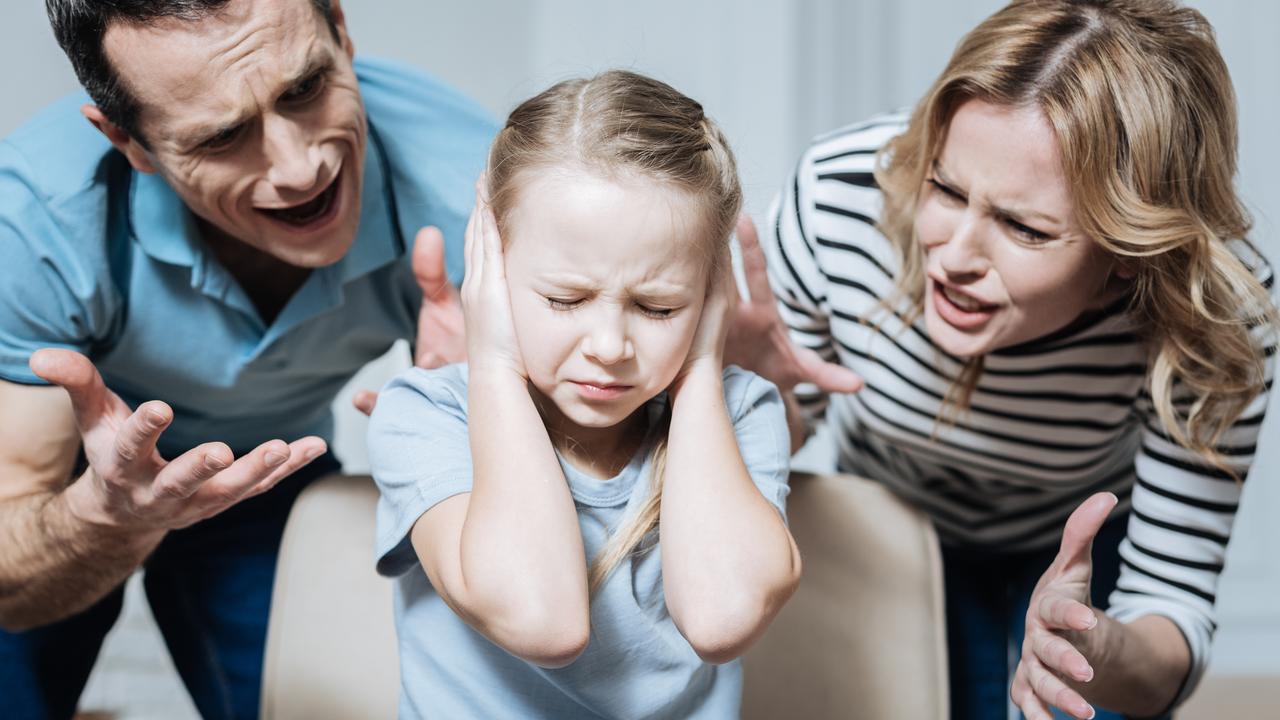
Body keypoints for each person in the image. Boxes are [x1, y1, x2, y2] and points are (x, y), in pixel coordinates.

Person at [727, 0, 1277, 718]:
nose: (952, 259)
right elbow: (775, 453)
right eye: (946, 188)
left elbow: (1169, 610)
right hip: (892, 526)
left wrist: (1097, 649)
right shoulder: (839, 200)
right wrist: (750, 396)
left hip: (1080, 542)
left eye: (1024, 227)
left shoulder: (1214, 313)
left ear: (1127, 256)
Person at [0, 0, 493, 717]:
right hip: (75, 485)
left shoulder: (475, 200)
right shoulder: (35, 222)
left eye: (305, 89)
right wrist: (112, 518)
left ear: (341, 33)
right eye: (223, 136)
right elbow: (11, 575)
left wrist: (475, 430)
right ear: (128, 143)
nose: (302, 169)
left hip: (265, 463)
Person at [367, 70, 801, 718]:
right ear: (493, 265)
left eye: (657, 307)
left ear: (712, 295)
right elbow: (543, 621)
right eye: (565, 299)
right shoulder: (425, 416)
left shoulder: (738, 415)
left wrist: (703, 368)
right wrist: (491, 363)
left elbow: (720, 621)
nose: (609, 345)